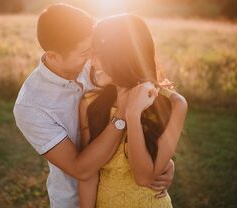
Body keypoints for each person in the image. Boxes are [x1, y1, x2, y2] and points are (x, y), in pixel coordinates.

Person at [13, 4, 175, 208]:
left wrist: (162, 160)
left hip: (130, 189)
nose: (93, 59)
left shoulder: (99, 62)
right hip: (74, 200)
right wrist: (123, 116)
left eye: (95, 50)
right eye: (84, 53)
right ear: (53, 56)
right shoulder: (31, 106)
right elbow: (80, 169)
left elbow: (142, 93)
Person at [78, 14, 188, 208]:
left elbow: (144, 177)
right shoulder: (90, 103)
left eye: (98, 54)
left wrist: (133, 115)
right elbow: (88, 173)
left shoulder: (174, 104)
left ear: (120, 56)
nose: (92, 63)